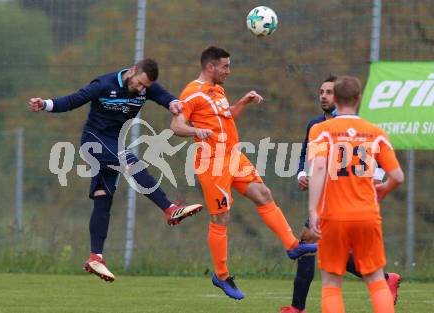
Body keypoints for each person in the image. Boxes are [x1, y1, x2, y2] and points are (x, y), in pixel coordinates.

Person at [28, 59, 202, 282]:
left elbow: (166, 97)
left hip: (114, 142)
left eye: (145, 87)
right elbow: (72, 100)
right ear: (131, 72)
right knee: (132, 163)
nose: (141, 89)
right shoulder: (104, 84)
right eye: (139, 83)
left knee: (103, 198)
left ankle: (95, 257)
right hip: (93, 141)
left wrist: (174, 104)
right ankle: (169, 209)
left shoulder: (146, 87)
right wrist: (44, 104)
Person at [170, 46, 317, 300]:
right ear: (210, 67)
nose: (229, 71)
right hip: (212, 162)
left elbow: (227, 118)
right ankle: (222, 275)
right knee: (221, 218)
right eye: (225, 66)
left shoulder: (218, 91)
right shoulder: (191, 93)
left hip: (233, 155)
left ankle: (293, 246)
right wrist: (196, 131)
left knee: (263, 194)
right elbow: (176, 125)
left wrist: (243, 102)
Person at [281, 76, 401, 313]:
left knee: (332, 283)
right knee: (376, 281)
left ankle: (298, 306)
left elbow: (317, 166)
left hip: (332, 215)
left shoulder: (322, 131)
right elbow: (397, 176)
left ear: (335, 98)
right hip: (367, 214)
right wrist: (383, 190)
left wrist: (313, 211)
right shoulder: (374, 132)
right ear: (359, 99)